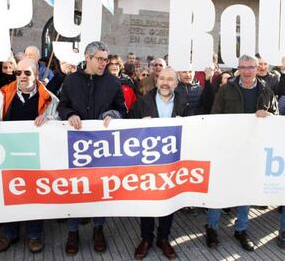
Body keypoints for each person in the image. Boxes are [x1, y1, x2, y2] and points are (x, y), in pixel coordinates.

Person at [0, 59, 59, 254]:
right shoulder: (3, 94)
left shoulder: (50, 98)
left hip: (37, 155)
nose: (22, 77)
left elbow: (59, 120)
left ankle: (34, 234)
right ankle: (10, 233)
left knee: (34, 194)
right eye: (18, 73)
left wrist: (49, 120)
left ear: (36, 75)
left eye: (27, 73)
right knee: (11, 193)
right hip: (9, 154)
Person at [57, 41, 126, 256]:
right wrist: (70, 114)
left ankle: (98, 229)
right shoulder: (71, 81)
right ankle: (73, 232)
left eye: (106, 59)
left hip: (101, 148)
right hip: (75, 147)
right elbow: (62, 106)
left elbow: (122, 109)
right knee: (75, 189)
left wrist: (112, 115)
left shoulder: (113, 83)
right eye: (99, 59)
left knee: (99, 188)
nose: (104, 63)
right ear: (87, 58)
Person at [206, 54, 278, 252]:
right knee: (220, 189)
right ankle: (211, 227)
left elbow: (276, 118)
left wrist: (269, 116)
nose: (247, 71)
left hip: (253, 149)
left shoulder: (266, 90)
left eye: (251, 67)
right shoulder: (225, 89)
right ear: (238, 68)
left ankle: (241, 229)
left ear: (257, 69)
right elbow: (215, 116)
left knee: (246, 189)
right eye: (243, 67)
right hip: (227, 148)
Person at [129, 67, 191, 260]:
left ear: (176, 83)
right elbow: (127, 125)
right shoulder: (143, 102)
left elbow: (196, 128)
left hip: (173, 162)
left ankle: (163, 238)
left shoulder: (184, 103)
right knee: (147, 200)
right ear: (157, 81)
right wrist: (139, 124)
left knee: (168, 200)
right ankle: (146, 238)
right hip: (147, 162)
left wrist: (186, 124)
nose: (165, 82)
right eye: (162, 78)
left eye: (170, 79)